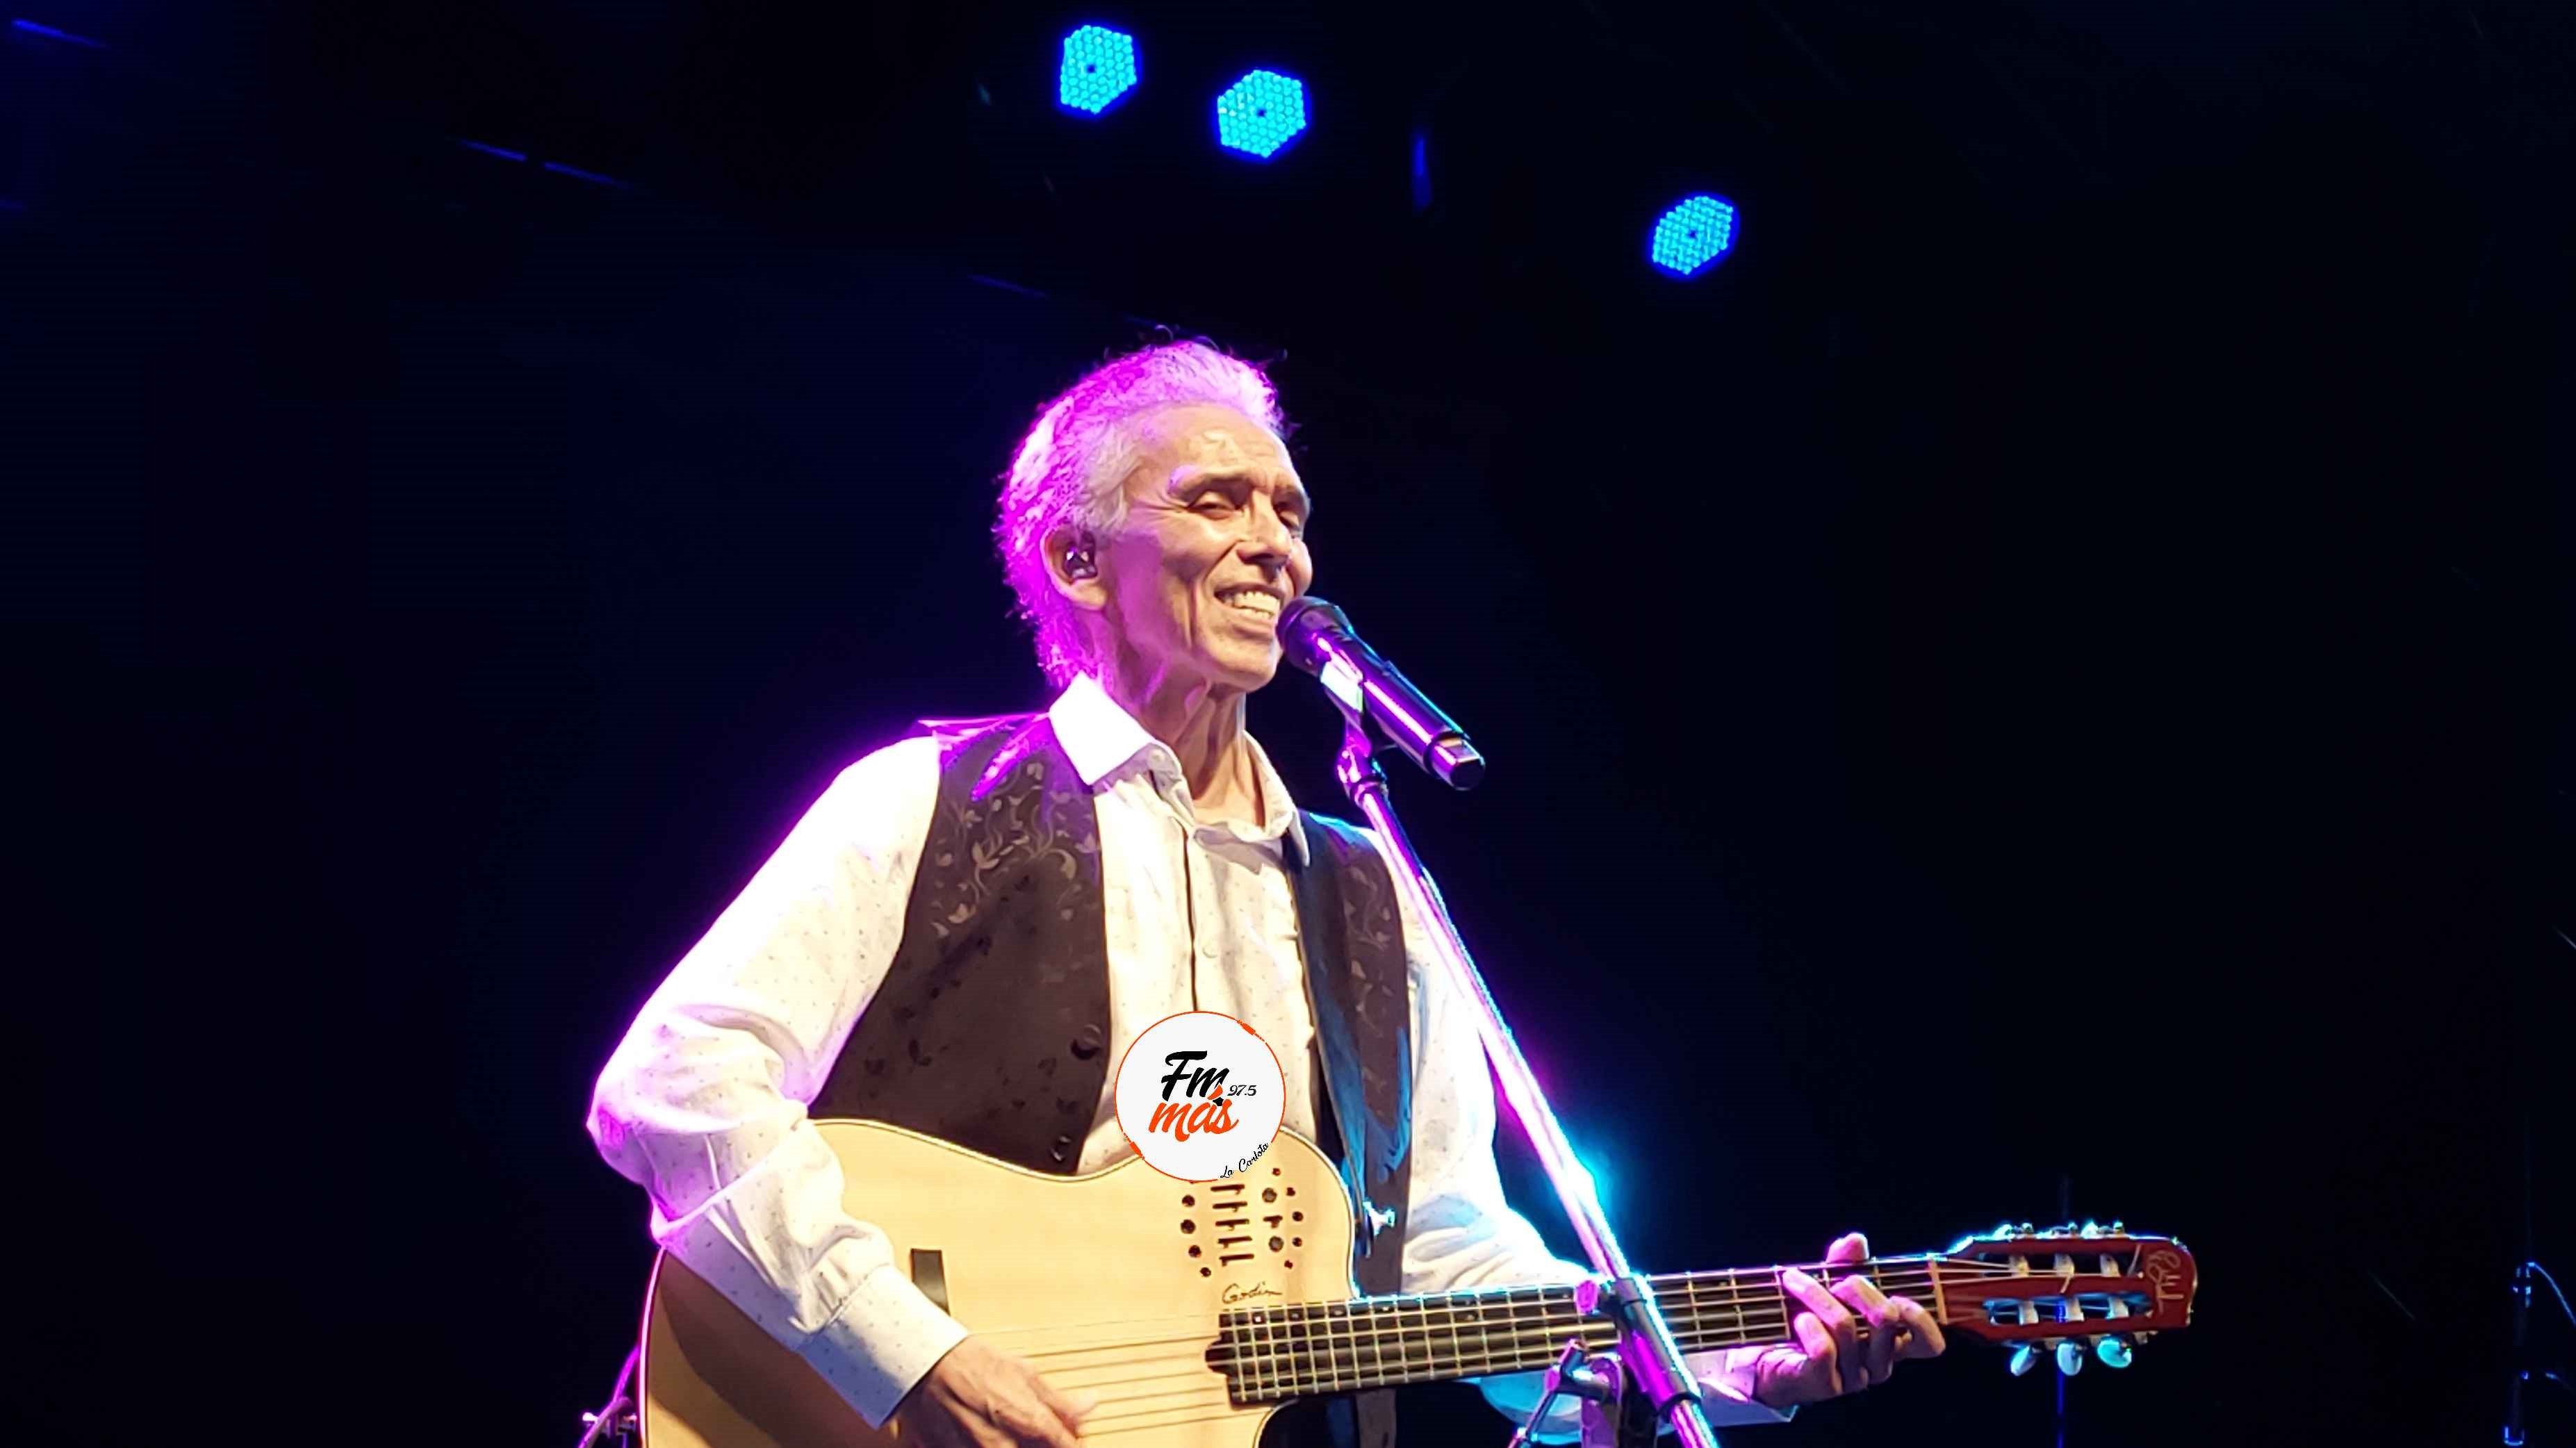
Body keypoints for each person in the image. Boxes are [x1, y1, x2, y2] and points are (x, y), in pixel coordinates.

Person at [587, 341, 1944, 1448]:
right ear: (1077, 562)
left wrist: (1737, 1365)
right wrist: (908, 1352)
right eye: (1216, 501)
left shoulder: (1370, 892)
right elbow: (677, 1083)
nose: (1273, 547)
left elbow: (1449, 1261)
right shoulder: (930, 801)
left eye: (1289, 512)